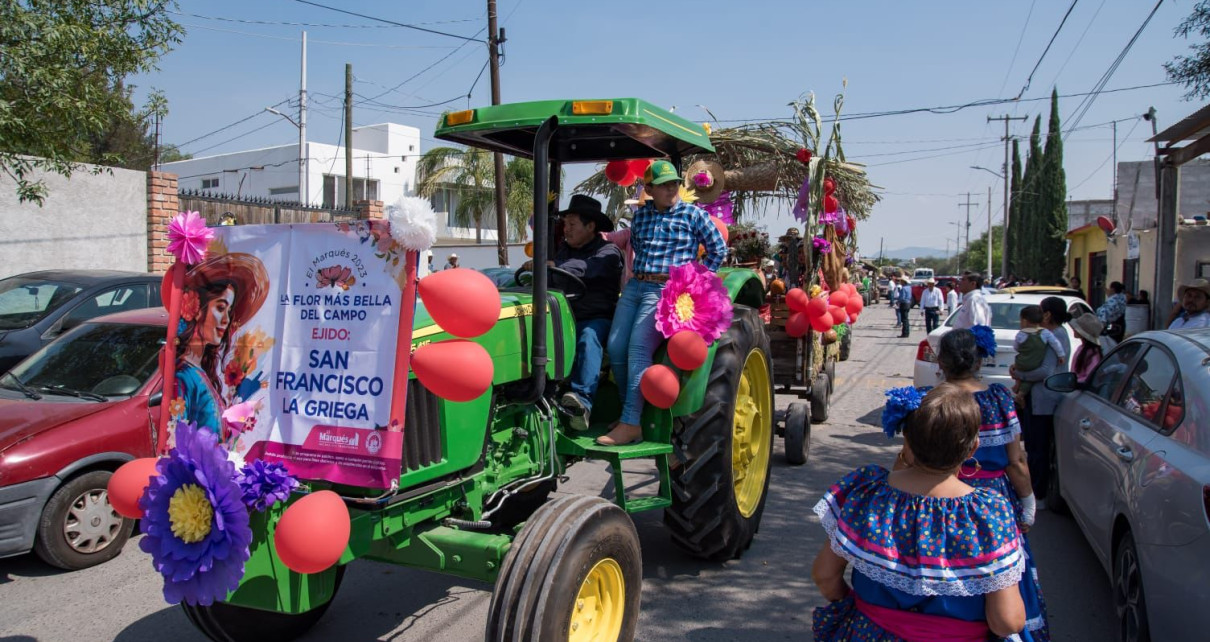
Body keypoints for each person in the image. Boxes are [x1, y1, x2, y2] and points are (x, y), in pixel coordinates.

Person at [811, 384, 1029, 641]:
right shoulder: (989, 514)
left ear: (908, 443)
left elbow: (825, 575)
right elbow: (1006, 621)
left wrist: (861, 609)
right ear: (972, 449)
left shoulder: (867, 493)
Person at [926, 329, 1050, 640]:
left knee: (946, 562)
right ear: (981, 359)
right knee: (998, 568)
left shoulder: (932, 401)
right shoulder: (999, 399)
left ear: (941, 361)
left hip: (942, 496)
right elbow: (1016, 461)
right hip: (995, 498)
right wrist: (1028, 505)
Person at [600, 160, 726, 446]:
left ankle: (631, 422)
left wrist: (699, 282)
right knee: (615, 346)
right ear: (649, 189)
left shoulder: (693, 214)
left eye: (674, 183)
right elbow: (638, 249)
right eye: (665, 184)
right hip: (636, 286)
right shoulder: (641, 217)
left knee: (638, 349)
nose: (672, 188)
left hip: (665, 289)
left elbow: (718, 248)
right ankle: (629, 416)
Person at [537, 195, 624, 432]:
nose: (566, 230)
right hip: (563, 317)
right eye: (565, 224)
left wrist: (554, 268)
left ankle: (581, 402)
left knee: (588, 337)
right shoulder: (564, 250)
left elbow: (586, 269)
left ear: (591, 226)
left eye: (572, 225)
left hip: (597, 318)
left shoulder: (608, 252)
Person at [174, 253, 269, 438]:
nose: (226, 320)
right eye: (220, 307)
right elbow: (176, 439)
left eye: (229, 310)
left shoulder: (201, 372)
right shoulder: (183, 376)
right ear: (197, 308)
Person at [1010, 296, 1071, 504]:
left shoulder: (1057, 335)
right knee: (1034, 447)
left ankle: (1038, 494)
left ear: (1048, 315)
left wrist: (1020, 375)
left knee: (1038, 450)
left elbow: (1046, 371)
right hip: (1036, 398)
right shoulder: (1046, 335)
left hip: (1044, 401)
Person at [1012, 305, 1066, 402]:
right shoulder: (1045, 333)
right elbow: (1055, 343)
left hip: (1022, 362)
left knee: (1018, 367)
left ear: (1024, 321)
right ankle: (1021, 393)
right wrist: (1061, 355)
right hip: (1036, 363)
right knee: (1029, 379)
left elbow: (1016, 347)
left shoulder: (1021, 334)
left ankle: (1017, 384)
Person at [1069, 313, 1106, 384]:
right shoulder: (1081, 348)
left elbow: (1090, 377)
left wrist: (1075, 382)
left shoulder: (1093, 353)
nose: (1074, 329)